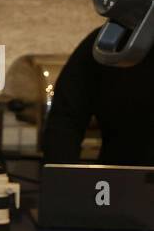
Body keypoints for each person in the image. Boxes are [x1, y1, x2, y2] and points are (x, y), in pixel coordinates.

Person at [41, 25, 154, 166]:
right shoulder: (109, 40)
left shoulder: (110, 38)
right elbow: (64, 122)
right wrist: (64, 179)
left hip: (119, 177)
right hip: (119, 177)